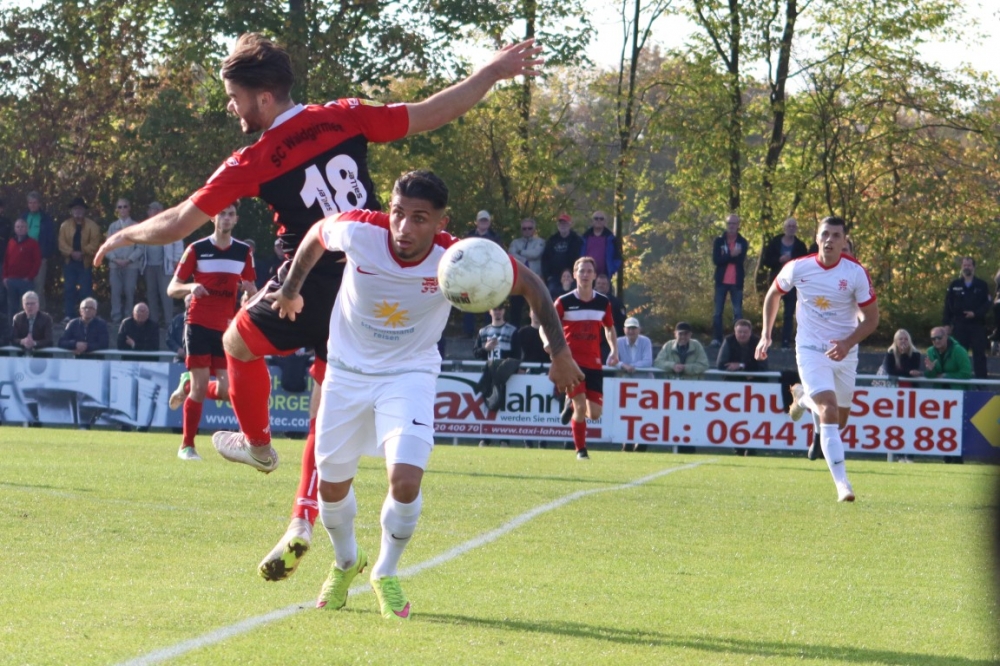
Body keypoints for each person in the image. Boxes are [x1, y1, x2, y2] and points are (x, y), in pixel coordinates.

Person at [93, 32, 545, 581]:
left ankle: (258, 446)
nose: (232, 108)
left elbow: (179, 221)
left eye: (234, 98)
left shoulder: (253, 157)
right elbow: (432, 112)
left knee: (237, 342)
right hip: (367, 282)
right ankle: (301, 522)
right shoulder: (344, 115)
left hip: (309, 280)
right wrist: (491, 73)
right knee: (323, 406)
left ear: (263, 97)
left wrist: (127, 234)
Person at [269, 170, 583, 619]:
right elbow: (317, 236)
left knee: (405, 479)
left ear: (440, 222)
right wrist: (289, 290)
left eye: (419, 218)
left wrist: (559, 353)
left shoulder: (458, 258)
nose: (403, 227)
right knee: (333, 488)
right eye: (398, 213)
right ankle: (346, 561)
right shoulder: (360, 231)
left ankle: (385, 571)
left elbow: (532, 285)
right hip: (345, 373)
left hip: (408, 374)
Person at [756, 216, 879, 503]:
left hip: (845, 352)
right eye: (825, 234)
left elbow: (872, 319)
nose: (830, 240)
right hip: (810, 348)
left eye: (836, 235)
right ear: (816, 237)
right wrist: (765, 334)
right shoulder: (798, 267)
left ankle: (801, 397)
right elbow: (773, 294)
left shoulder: (856, 273)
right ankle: (843, 485)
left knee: (839, 421)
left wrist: (847, 343)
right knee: (828, 410)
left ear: (844, 241)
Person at [166, 204, 256, 461]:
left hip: (226, 328)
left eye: (230, 214)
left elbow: (251, 289)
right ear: (212, 218)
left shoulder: (243, 252)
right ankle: (187, 446)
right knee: (200, 387)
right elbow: (172, 288)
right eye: (222, 214)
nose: (226, 218)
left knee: (228, 391)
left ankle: (186, 383)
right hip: (198, 323)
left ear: (236, 219)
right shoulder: (197, 249)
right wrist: (191, 287)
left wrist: (249, 294)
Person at [551, 256, 618, 460]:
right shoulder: (563, 302)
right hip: (571, 364)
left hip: (594, 364)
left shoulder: (603, 302)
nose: (585, 275)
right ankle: (581, 451)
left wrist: (614, 350)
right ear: (574, 275)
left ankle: (569, 404)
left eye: (589, 271)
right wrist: (552, 348)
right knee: (581, 406)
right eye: (582, 271)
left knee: (594, 414)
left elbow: (609, 328)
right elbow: (549, 325)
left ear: (595, 275)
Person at [472, 303, 520, 447]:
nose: (497, 312)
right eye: (495, 309)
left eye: (500, 309)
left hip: (505, 375)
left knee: (504, 405)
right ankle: (486, 437)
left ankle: (504, 438)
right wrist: (485, 349)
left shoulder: (511, 330)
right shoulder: (483, 331)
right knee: (487, 404)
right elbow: (476, 353)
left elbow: (517, 354)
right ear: (490, 311)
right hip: (488, 373)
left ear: (504, 311)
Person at [760, 217, 808, 348]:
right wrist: (779, 260)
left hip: (792, 284)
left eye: (793, 226)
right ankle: (766, 338)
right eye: (789, 226)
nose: (791, 228)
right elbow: (766, 261)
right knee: (771, 311)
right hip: (776, 281)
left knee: (789, 313)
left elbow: (805, 265)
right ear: (784, 228)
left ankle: (785, 341)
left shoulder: (800, 245)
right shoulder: (775, 242)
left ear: (796, 229)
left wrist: (792, 261)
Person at [942, 257, 990, 379]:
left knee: (979, 354)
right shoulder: (955, 285)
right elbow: (948, 305)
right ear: (961, 267)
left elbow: (987, 304)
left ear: (974, 267)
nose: (966, 267)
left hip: (977, 325)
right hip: (960, 325)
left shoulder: (982, 285)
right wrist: (946, 323)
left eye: (969, 265)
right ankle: (958, 381)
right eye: (964, 265)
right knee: (958, 354)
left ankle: (981, 384)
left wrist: (975, 314)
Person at [57, 197, 102, 323]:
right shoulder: (64, 226)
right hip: (69, 262)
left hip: (85, 262)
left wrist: (83, 252)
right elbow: (61, 243)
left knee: (85, 290)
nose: (78, 211)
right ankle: (69, 315)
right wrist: (72, 253)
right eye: (75, 209)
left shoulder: (92, 226)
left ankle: (87, 315)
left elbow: (95, 244)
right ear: (71, 211)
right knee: (69, 289)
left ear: (84, 210)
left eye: (80, 209)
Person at [140, 201, 184, 329]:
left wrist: (176, 260)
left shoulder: (170, 225)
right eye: (151, 209)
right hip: (148, 266)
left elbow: (178, 243)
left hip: (165, 266)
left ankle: (169, 322)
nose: (154, 212)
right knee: (151, 294)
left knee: (167, 294)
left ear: (162, 211)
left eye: (157, 209)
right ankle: (153, 322)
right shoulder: (145, 226)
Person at [461, 210, 504, 337]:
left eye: (486, 220)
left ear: (489, 222)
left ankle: (489, 331)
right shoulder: (468, 236)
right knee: (469, 303)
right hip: (471, 274)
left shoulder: (495, 237)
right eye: (481, 220)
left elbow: (499, 255)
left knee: (488, 302)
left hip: (488, 275)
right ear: (476, 222)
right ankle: (468, 332)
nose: (483, 222)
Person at [712, 213, 749, 347]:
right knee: (717, 312)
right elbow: (716, 260)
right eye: (729, 223)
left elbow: (740, 260)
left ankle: (737, 339)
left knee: (737, 313)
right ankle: (717, 339)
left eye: (734, 223)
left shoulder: (742, 242)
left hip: (736, 282)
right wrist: (731, 254)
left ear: (738, 225)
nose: (731, 226)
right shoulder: (719, 241)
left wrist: (726, 257)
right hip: (721, 282)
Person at [105, 198, 144, 324]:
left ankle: (129, 317)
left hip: (131, 265)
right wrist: (115, 259)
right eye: (119, 207)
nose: (122, 209)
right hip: (115, 265)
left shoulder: (136, 226)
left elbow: (140, 247)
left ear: (129, 208)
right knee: (115, 292)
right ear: (117, 209)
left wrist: (129, 260)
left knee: (129, 291)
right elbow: (107, 247)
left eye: (125, 206)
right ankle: (116, 317)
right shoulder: (112, 227)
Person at [20, 192, 56, 312]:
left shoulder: (45, 218)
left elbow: (50, 238)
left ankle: (41, 313)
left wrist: (45, 255)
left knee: (38, 286)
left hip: (39, 257)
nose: (32, 205)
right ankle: (25, 313)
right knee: (24, 285)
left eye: (35, 203)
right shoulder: (24, 216)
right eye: (30, 203)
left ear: (39, 203)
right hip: (24, 257)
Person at [2, 218, 42, 323]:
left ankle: (27, 328)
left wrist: (29, 277)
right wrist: (5, 277)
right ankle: (13, 329)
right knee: (12, 307)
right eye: (18, 227)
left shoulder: (33, 243)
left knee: (27, 307)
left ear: (27, 229)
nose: (20, 229)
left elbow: (37, 262)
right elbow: (6, 260)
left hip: (25, 281)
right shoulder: (11, 242)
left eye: (22, 227)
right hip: (11, 280)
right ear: (15, 229)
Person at [507, 217, 544, 327]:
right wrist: (525, 258)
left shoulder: (540, 242)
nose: (527, 230)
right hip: (519, 279)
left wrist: (520, 252)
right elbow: (511, 255)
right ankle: (515, 330)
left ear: (534, 229)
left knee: (534, 308)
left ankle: (533, 330)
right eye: (524, 228)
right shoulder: (515, 242)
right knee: (515, 307)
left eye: (529, 228)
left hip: (534, 279)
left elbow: (536, 254)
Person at [542, 213, 583, 298]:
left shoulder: (577, 239)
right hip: (554, 276)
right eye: (560, 223)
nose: (563, 225)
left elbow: (580, 259)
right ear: (557, 225)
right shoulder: (552, 239)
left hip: (572, 276)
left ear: (570, 224)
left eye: (565, 223)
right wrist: (547, 276)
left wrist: (575, 274)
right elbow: (545, 258)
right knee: (551, 293)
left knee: (573, 296)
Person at [580, 210, 622, 280]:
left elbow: (617, 258)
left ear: (605, 222)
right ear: (592, 221)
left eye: (601, 219)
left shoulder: (612, 239)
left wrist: (612, 270)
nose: (598, 220)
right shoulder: (584, 238)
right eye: (596, 218)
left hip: (604, 277)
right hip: (586, 276)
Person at [594, 273, 626, 362]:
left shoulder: (616, 303)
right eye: (599, 283)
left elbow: (621, 324)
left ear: (608, 287)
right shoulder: (588, 301)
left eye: (603, 284)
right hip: (591, 342)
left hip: (608, 344)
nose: (601, 286)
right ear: (595, 285)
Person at [166, 294, 191, 363]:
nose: (191, 302)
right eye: (189, 300)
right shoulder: (177, 320)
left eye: (193, 300)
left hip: (198, 359)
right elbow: (169, 338)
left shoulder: (203, 320)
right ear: (185, 303)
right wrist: (178, 349)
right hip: (179, 359)